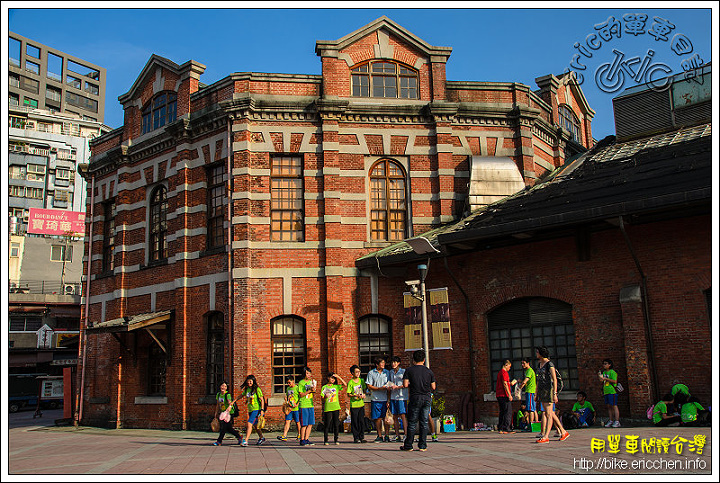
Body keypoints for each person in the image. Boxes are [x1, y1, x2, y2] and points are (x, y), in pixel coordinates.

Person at [400, 350, 436, 452]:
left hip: (415, 397)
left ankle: (409, 445)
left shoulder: (409, 370)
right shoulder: (429, 371)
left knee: (412, 422)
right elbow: (433, 386)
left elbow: (405, 385)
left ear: (413, 360)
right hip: (426, 398)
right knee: (424, 422)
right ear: (424, 360)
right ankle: (423, 445)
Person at [535, 346, 569, 443]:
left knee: (549, 414)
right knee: (550, 413)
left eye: (537, 352)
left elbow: (554, 379)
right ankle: (563, 431)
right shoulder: (539, 364)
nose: (536, 354)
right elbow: (538, 380)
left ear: (541, 354)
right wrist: (536, 393)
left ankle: (546, 436)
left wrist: (555, 393)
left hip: (549, 390)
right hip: (542, 391)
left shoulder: (549, 364)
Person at [366, 356, 392, 442]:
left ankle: (387, 435)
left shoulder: (387, 373)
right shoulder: (371, 373)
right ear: (377, 364)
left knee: (386, 418)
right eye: (381, 363)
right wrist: (378, 388)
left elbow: (389, 385)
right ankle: (379, 435)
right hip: (375, 398)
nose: (383, 364)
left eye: (384, 363)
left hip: (385, 398)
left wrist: (388, 399)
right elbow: (369, 386)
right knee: (377, 418)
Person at [238, 375, 267, 446]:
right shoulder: (247, 389)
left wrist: (262, 410)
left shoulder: (257, 389)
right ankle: (261, 437)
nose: (249, 382)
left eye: (250, 381)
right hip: (250, 409)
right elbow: (241, 395)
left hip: (256, 409)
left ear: (253, 381)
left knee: (249, 423)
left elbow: (262, 399)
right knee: (255, 425)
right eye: (248, 381)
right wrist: (234, 401)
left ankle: (246, 440)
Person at [321, 372, 347, 445]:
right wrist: (325, 397)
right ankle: (326, 440)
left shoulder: (336, 387)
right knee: (327, 424)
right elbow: (322, 398)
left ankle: (336, 439)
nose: (332, 380)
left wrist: (338, 377)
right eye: (331, 378)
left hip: (336, 407)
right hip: (328, 407)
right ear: (328, 378)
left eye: (334, 378)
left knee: (336, 424)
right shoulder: (324, 387)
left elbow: (345, 385)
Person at [213, 381, 242, 446]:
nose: (223, 387)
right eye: (222, 386)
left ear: (226, 388)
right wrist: (216, 412)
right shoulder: (218, 394)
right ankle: (239, 436)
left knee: (223, 427)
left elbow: (230, 402)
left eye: (225, 386)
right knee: (229, 428)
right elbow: (218, 404)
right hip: (223, 413)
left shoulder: (227, 395)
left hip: (229, 413)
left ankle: (219, 441)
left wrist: (229, 406)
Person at [388, 355, 408, 442]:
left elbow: (407, 384)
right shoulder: (391, 372)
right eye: (392, 362)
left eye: (395, 362)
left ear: (398, 363)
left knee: (403, 415)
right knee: (395, 416)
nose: (393, 364)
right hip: (393, 396)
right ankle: (397, 434)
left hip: (401, 396)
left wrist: (398, 387)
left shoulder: (403, 372)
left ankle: (406, 434)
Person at [346, 365, 367, 443]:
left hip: (361, 404)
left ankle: (362, 436)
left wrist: (364, 394)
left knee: (361, 420)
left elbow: (364, 389)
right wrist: (355, 395)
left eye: (359, 372)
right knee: (355, 421)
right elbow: (348, 394)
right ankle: (356, 437)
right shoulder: (350, 382)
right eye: (356, 372)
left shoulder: (361, 380)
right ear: (352, 373)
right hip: (354, 404)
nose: (358, 373)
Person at [277, 375, 301, 442]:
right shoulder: (288, 389)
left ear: (293, 381)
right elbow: (287, 397)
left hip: (296, 409)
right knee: (287, 421)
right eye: (287, 383)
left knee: (297, 422)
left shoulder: (297, 388)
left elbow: (300, 397)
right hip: (289, 408)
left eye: (289, 382)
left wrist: (297, 404)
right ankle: (284, 435)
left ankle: (299, 434)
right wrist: (286, 400)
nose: (288, 384)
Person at [496, 359, 517, 434]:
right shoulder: (504, 373)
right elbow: (505, 384)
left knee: (502, 411)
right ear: (506, 365)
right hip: (504, 394)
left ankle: (500, 427)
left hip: (499, 394)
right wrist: (509, 395)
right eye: (509, 366)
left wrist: (510, 384)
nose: (509, 368)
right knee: (508, 411)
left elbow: (505, 383)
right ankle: (506, 427)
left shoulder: (499, 373)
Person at [297, 366, 317, 446]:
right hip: (304, 405)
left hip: (310, 404)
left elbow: (313, 392)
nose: (309, 375)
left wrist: (314, 389)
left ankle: (307, 438)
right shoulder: (301, 383)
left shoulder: (311, 382)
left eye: (309, 373)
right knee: (304, 423)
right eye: (307, 373)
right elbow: (301, 394)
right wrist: (309, 391)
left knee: (310, 423)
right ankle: (302, 439)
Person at [599, 358, 620, 428]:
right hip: (606, 391)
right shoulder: (604, 372)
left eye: (605, 364)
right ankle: (611, 420)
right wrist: (600, 376)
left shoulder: (612, 372)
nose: (604, 365)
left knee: (614, 405)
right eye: (603, 364)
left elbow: (614, 381)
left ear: (609, 365)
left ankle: (617, 421)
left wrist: (606, 379)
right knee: (609, 406)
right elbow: (602, 381)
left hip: (612, 391)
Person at [518, 357, 538, 425]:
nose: (522, 365)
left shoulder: (529, 371)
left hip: (530, 391)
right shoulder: (528, 371)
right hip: (532, 391)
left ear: (528, 363)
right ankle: (536, 423)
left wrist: (520, 387)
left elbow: (526, 381)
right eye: (522, 363)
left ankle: (531, 424)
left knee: (530, 409)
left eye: (524, 363)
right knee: (533, 408)